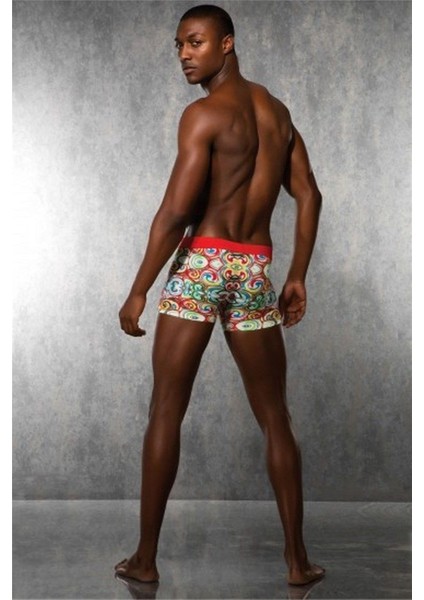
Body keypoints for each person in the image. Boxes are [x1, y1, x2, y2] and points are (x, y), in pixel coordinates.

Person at [115, 3, 324, 587]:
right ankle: (297, 563)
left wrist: (139, 289)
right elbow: (310, 194)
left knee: (166, 408)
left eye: (196, 42)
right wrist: (297, 275)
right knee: (276, 417)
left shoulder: (203, 115)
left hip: (204, 263)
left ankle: (146, 560)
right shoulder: (278, 114)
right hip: (254, 269)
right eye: (179, 45)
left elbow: (176, 211)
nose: (184, 54)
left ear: (227, 43)